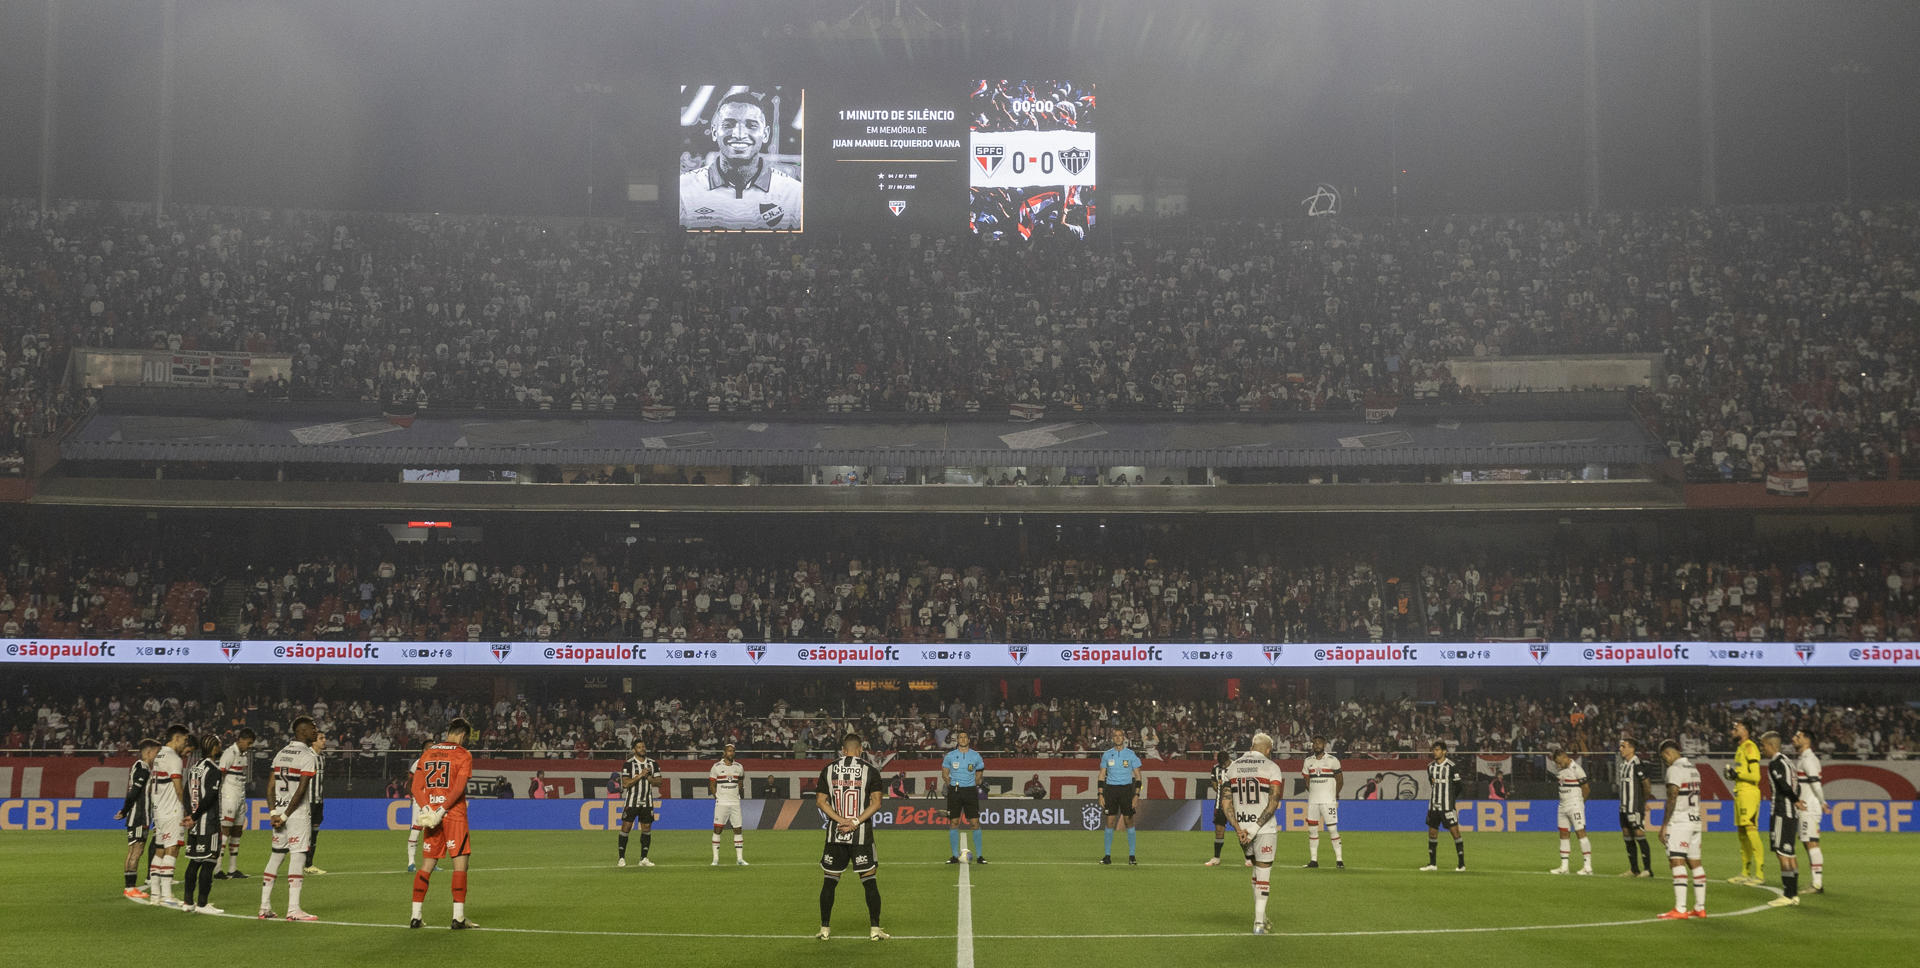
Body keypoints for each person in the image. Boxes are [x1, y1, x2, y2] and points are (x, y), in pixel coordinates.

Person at [679, 91, 804, 231]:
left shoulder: (794, 194)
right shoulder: (683, 189)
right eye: (728, 125)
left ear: (765, 134)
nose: (739, 134)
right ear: (714, 132)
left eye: (751, 125)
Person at [814, 732, 888, 942]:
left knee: (829, 882)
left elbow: (820, 801)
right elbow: (876, 803)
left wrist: (840, 820)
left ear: (843, 750)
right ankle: (875, 930)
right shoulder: (870, 770)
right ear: (861, 749)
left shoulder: (828, 769)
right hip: (860, 836)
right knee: (869, 882)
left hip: (835, 835)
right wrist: (855, 822)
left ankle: (824, 929)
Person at [410, 718, 477, 929]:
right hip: (453, 814)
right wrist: (443, 809)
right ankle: (458, 917)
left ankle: (416, 915)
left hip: (431, 817)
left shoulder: (428, 753)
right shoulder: (463, 754)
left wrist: (429, 808)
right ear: (463, 735)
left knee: (427, 865)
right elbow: (458, 787)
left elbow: (415, 788)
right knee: (460, 864)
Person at [1218, 732, 1284, 935]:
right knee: (1264, 872)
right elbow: (1273, 803)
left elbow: (1225, 803)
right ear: (1268, 749)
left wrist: (1238, 829)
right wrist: (1256, 828)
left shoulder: (1234, 767)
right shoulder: (1272, 767)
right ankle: (1258, 923)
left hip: (1242, 831)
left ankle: (1262, 916)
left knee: (1256, 870)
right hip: (1263, 829)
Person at [258, 717, 320, 922]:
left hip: (279, 814)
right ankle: (294, 909)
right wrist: (285, 816)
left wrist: (273, 813)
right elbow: (301, 790)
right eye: (313, 729)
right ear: (302, 731)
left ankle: (264, 906)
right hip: (297, 815)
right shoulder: (307, 756)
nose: (316, 732)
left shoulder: (281, 753)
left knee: (276, 856)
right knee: (298, 856)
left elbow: (270, 787)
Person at [1656, 739, 1708, 919]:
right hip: (1695, 820)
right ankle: (1700, 907)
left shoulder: (1674, 770)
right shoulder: (1693, 769)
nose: (1665, 761)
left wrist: (1664, 825)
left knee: (1676, 861)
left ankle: (1680, 909)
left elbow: (1672, 797)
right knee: (1695, 863)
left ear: (1668, 753)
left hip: (1680, 821)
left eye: (1664, 758)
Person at [146, 724, 191, 907]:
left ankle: (155, 894)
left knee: (159, 850)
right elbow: (178, 788)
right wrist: (187, 809)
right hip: (172, 810)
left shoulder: (159, 756)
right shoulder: (174, 758)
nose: (185, 744)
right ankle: (167, 895)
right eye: (185, 740)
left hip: (159, 811)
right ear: (177, 738)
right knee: (172, 849)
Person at [182, 733, 226, 914]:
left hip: (194, 825)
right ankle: (202, 904)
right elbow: (209, 797)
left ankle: (187, 902)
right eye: (219, 744)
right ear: (214, 748)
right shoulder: (214, 769)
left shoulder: (194, 768)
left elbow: (185, 793)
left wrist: (189, 814)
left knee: (194, 862)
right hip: (208, 822)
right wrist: (195, 816)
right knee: (209, 862)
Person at [1761, 731, 1802, 907]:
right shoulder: (1789, 763)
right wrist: (1796, 801)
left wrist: (1795, 800)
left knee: (1782, 853)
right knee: (1790, 853)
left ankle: (1787, 894)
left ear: (1771, 746)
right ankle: (1794, 894)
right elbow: (1796, 786)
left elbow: (1783, 786)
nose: (1763, 750)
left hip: (1781, 812)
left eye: (1764, 746)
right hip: (1791, 813)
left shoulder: (1775, 763)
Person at [117, 738, 159, 900]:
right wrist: (125, 810)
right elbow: (134, 792)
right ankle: (130, 887)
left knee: (133, 850)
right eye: (156, 752)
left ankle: (129, 887)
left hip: (136, 816)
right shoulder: (143, 768)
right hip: (139, 816)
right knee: (137, 850)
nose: (157, 756)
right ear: (148, 752)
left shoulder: (139, 767)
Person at [1096, 728, 1144, 865]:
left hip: (1126, 790)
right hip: (1110, 790)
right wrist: (1100, 794)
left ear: (1124, 738)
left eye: (1120, 736)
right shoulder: (1107, 755)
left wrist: (1136, 795)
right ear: (1112, 738)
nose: (1118, 738)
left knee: (1129, 821)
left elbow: (1138, 777)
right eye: (1115, 736)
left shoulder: (1130, 754)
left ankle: (1132, 856)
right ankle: (1107, 856)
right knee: (1110, 822)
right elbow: (1101, 775)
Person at [1725, 720, 1764, 886]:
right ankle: (1745, 872)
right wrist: (1732, 775)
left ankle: (1760, 874)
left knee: (1751, 830)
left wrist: (1737, 775)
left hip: (1749, 793)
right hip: (1740, 792)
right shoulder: (1740, 749)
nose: (1734, 729)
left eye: (1737, 727)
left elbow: (1756, 776)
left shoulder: (1750, 747)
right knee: (1742, 834)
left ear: (1746, 730)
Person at [942, 729, 987, 864]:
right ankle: (955, 856)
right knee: (954, 822)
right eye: (960, 737)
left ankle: (980, 856)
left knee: (974, 823)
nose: (962, 739)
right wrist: (951, 785)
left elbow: (979, 773)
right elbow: (944, 774)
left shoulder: (976, 756)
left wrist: (975, 782)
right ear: (957, 740)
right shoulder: (950, 756)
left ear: (968, 740)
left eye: (965, 737)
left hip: (970, 792)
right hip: (955, 792)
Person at [1791, 729, 1827, 894]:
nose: (1794, 739)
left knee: (1811, 843)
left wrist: (1822, 801)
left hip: (1809, 808)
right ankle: (1816, 882)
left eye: (1798, 736)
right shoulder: (1803, 759)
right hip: (1805, 807)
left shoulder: (1809, 760)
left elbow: (1816, 783)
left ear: (1806, 740)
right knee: (1809, 843)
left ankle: (1817, 884)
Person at [215, 728, 254, 879]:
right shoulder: (229, 753)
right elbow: (221, 774)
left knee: (237, 832)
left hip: (240, 797)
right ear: (241, 739)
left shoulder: (243, 755)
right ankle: (217, 869)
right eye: (248, 743)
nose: (249, 746)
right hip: (229, 797)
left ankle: (232, 868)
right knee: (225, 832)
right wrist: (218, 796)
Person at [1421, 741, 1466, 871]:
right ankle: (1432, 864)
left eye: (1437, 750)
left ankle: (1461, 864)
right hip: (1434, 806)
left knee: (1455, 833)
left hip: (1447, 806)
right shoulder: (1430, 767)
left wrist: (1451, 800)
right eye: (1434, 750)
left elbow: (1459, 786)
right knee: (1432, 833)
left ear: (1444, 751)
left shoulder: (1451, 766)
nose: (1435, 752)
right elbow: (1432, 783)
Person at [1302, 734, 1345, 869]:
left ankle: (1339, 860)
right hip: (1313, 801)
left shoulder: (1333, 760)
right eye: (1314, 743)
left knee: (1332, 829)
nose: (1316, 745)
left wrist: (1335, 794)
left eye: (1319, 743)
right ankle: (1313, 860)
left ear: (1324, 744)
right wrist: (1312, 790)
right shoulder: (1308, 761)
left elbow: (1340, 780)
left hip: (1328, 801)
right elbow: (1306, 779)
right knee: (1312, 830)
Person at [1548, 748, 1593, 875]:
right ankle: (1564, 867)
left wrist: (1580, 803)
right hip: (1562, 806)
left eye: (1558, 762)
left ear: (1564, 756)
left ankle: (1587, 866)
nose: (1558, 765)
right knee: (1563, 834)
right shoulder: (1561, 769)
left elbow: (1586, 789)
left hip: (1574, 805)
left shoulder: (1576, 769)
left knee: (1580, 833)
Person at [1616, 736, 1654, 878]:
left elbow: (1646, 785)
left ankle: (1648, 869)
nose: (1620, 749)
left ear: (1631, 748)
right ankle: (1634, 869)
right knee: (1627, 835)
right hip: (1623, 807)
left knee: (1639, 834)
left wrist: (1643, 802)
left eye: (1623, 746)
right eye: (1620, 746)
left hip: (1634, 806)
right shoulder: (1623, 765)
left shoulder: (1637, 764)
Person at [617, 738, 658, 868]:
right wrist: (641, 775)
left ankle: (644, 858)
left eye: (643, 746)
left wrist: (649, 777)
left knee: (646, 828)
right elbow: (626, 783)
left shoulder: (652, 763)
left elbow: (659, 782)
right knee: (626, 827)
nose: (642, 749)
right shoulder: (628, 764)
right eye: (639, 747)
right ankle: (621, 858)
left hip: (647, 801)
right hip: (632, 801)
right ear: (634, 749)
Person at [709, 742, 748, 865]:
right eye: (729, 751)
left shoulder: (739, 767)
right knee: (717, 829)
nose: (731, 753)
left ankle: (740, 859)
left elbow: (741, 781)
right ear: (724, 753)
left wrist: (739, 793)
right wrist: (718, 797)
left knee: (738, 829)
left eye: (733, 751)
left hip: (735, 802)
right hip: (722, 803)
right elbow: (712, 785)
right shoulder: (716, 767)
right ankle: (715, 859)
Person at [405, 741, 433, 872]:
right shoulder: (418, 763)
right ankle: (411, 862)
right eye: (429, 748)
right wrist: (411, 794)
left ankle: (432, 861)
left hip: (432, 799)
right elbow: (410, 780)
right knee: (416, 829)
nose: (432, 749)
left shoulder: (436, 763)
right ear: (423, 750)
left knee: (432, 831)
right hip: (419, 799)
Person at [304, 731, 329, 874]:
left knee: (314, 833)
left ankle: (309, 864)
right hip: (308, 801)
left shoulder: (322, 758)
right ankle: (304, 864)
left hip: (318, 800)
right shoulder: (308, 757)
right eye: (321, 738)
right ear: (313, 741)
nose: (324, 741)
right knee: (306, 834)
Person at [1204, 749, 1233, 866]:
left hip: (1235, 804)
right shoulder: (1216, 769)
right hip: (1220, 804)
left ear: (1228, 759)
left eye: (1224, 763)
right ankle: (1216, 858)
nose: (1223, 765)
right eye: (1221, 764)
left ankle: (1248, 858)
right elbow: (1215, 785)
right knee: (1219, 830)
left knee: (1240, 830)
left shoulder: (1236, 767)